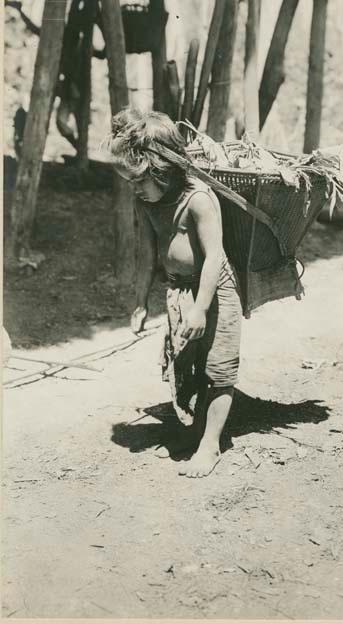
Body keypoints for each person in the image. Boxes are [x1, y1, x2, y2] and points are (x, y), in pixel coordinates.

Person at [107, 109, 242, 478]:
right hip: (178, 288)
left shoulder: (198, 199)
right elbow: (147, 255)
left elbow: (214, 257)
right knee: (187, 363)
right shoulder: (145, 203)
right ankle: (197, 431)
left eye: (138, 180)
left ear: (161, 169)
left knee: (219, 367)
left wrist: (200, 308)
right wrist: (139, 302)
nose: (133, 189)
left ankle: (211, 445)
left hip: (214, 291)